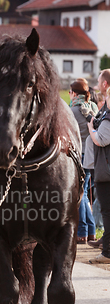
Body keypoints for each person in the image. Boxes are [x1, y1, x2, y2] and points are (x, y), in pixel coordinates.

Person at [69, 79, 98, 244]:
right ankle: (91, 231)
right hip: (92, 156)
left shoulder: (72, 111)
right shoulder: (93, 107)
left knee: (79, 194)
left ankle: (82, 232)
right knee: (85, 193)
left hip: (77, 156)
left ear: (73, 93)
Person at [86, 86, 110, 264]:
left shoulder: (108, 118)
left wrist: (90, 128)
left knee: (107, 212)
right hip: (105, 170)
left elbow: (100, 140)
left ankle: (107, 253)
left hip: (106, 172)